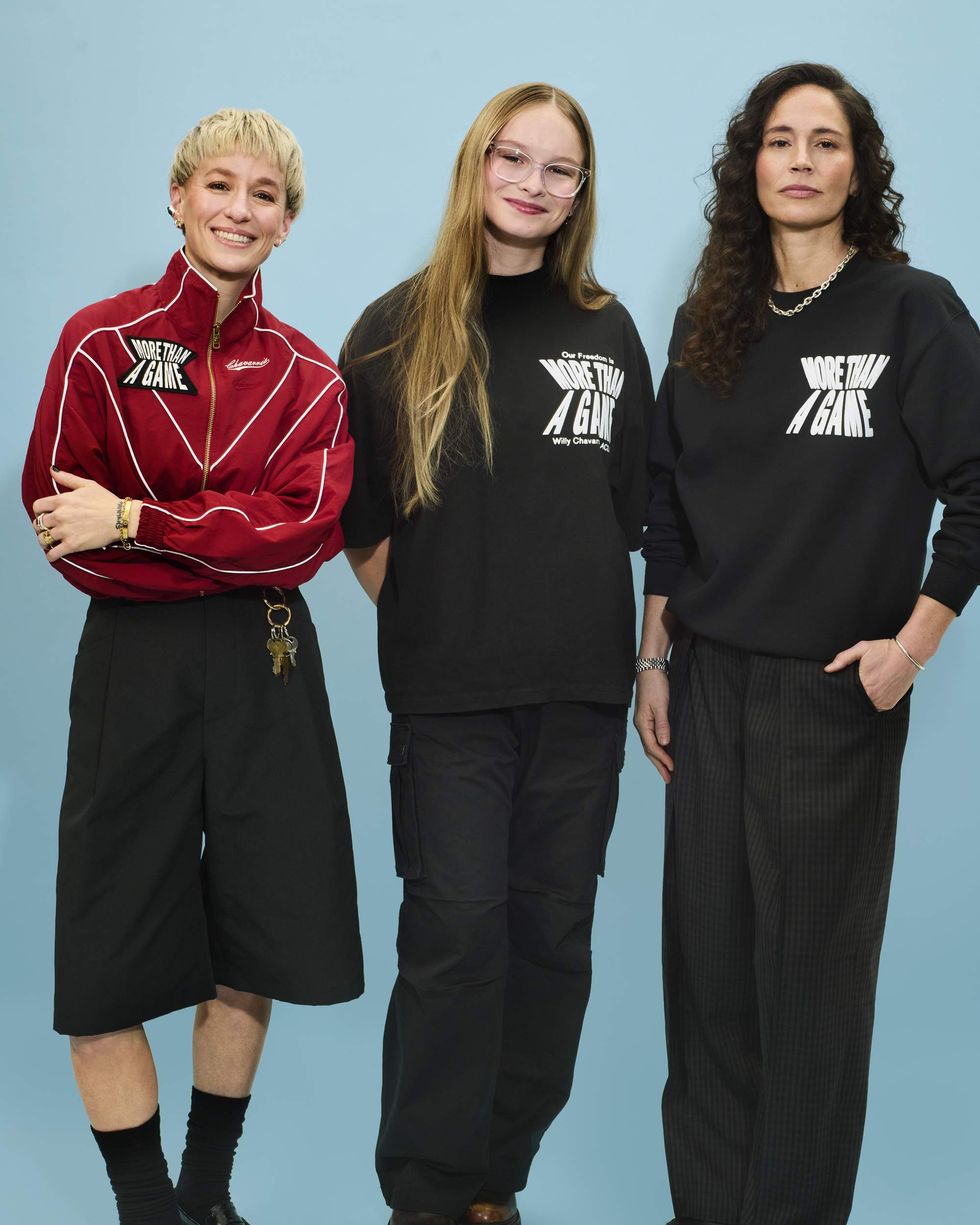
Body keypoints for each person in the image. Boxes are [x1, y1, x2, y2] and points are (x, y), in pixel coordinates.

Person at [636, 62, 980, 1225]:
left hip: (831, 695)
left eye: (822, 141)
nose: (796, 159)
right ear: (749, 167)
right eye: (777, 140)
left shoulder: (908, 310)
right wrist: (654, 661)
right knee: (709, 987)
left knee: (807, 998)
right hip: (707, 679)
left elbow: (976, 482)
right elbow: (665, 507)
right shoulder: (708, 318)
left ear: (854, 168)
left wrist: (912, 644)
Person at [22, 108, 363, 1225]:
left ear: (288, 222)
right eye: (219, 185)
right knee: (106, 943)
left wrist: (140, 518)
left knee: (253, 928)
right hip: (133, 660)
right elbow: (60, 525)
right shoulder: (98, 345)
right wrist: (213, 542)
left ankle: (208, 1195)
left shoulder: (311, 377)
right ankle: (144, 1207)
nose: (238, 209)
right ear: (177, 197)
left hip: (267, 666)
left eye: (264, 195)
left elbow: (304, 534)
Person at [340, 82, 652, 1225]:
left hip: (579, 698)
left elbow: (638, 518)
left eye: (556, 169)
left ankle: (492, 1187)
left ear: (578, 192)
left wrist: (641, 666)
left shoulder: (607, 328)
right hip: (448, 705)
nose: (531, 183)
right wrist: (443, 621)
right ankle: (422, 1197)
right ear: (476, 168)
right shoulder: (388, 329)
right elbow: (362, 530)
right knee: (455, 939)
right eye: (511, 159)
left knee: (550, 942)